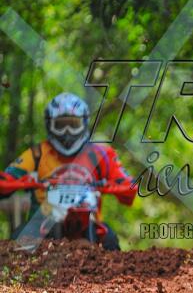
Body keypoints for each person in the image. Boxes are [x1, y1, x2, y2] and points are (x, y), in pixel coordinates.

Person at [0, 92, 136, 249]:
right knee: (18, 241)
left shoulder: (101, 154)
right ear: (50, 125)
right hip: (43, 220)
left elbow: (130, 186)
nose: (67, 131)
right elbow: (5, 179)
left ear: (84, 123)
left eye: (73, 125)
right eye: (60, 125)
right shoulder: (37, 153)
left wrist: (111, 185)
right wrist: (25, 182)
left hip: (89, 221)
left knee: (110, 240)